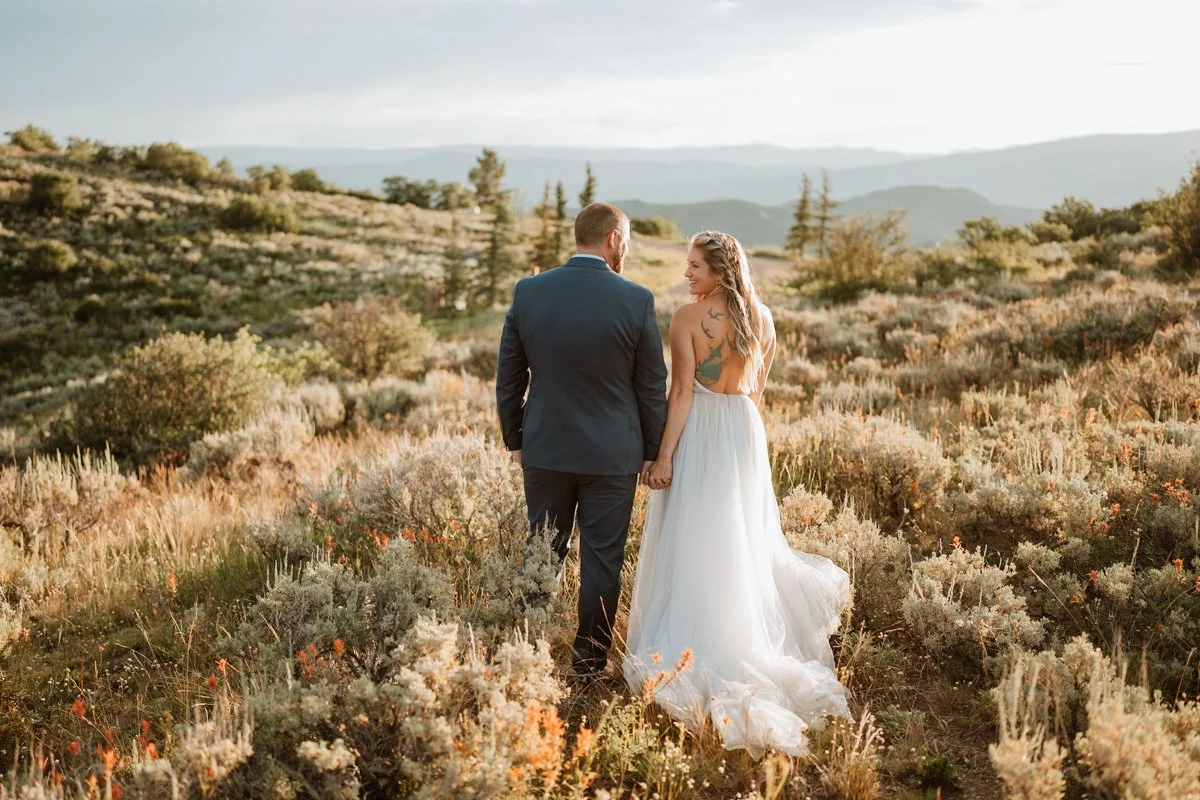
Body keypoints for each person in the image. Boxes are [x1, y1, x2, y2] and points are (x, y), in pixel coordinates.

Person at [623, 230, 851, 758]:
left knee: (697, 534)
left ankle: (701, 647)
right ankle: (739, 633)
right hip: (743, 431)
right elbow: (757, 388)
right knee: (739, 537)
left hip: (702, 427)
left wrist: (663, 457)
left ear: (721, 271)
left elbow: (681, 391)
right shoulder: (763, 318)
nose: (687, 275)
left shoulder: (686, 319)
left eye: (696, 267)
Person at [496, 202, 668, 682]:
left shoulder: (529, 292)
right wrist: (652, 451)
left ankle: (523, 652)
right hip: (612, 455)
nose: (627, 247)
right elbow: (651, 385)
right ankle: (589, 664)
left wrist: (516, 437)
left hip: (546, 448)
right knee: (602, 560)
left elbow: (509, 376)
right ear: (613, 238)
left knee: (543, 548)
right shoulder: (636, 300)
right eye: (627, 239)